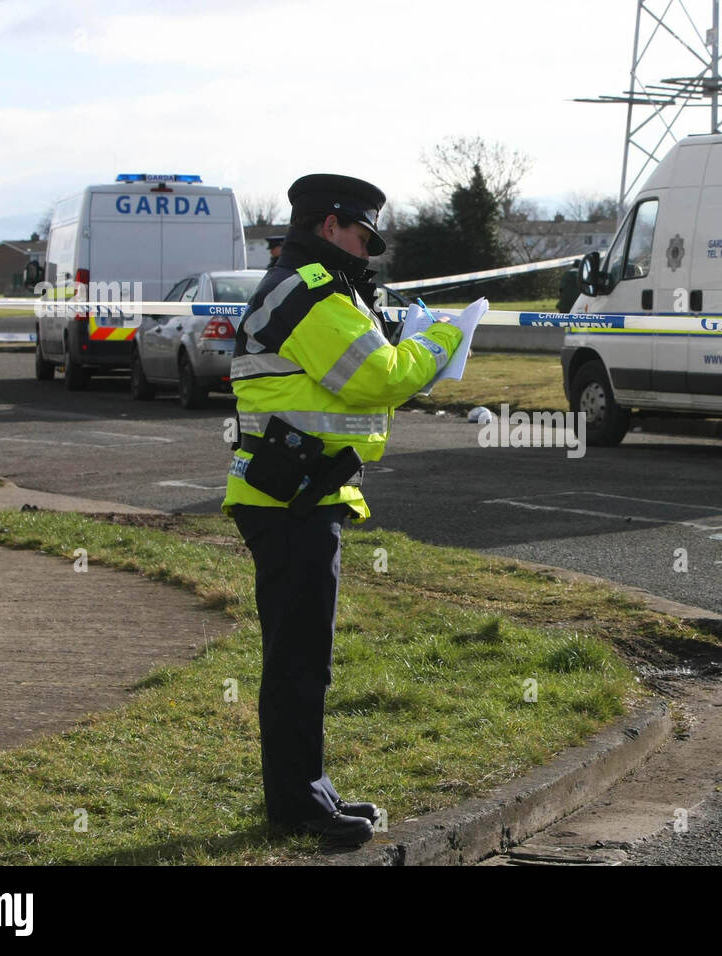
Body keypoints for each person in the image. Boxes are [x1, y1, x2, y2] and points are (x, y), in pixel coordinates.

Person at [223, 174, 463, 847]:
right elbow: (376, 377)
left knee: (305, 657)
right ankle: (298, 809)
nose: (368, 248)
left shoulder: (309, 286)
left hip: (299, 492)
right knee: (299, 660)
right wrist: (442, 343)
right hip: (292, 498)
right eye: (362, 234)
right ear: (331, 225)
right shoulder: (312, 291)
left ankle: (310, 791)